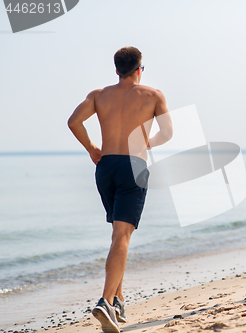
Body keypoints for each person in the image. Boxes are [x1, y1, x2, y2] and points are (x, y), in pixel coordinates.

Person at [68, 47, 173, 333]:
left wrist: (91, 148)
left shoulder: (99, 95)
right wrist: (145, 143)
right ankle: (105, 301)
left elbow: (73, 122)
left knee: (118, 233)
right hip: (133, 166)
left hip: (106, 167)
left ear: (116, 70)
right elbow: (167, 132)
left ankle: (118, 300)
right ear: (140, 68)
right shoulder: (153, 95)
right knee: (122, 234)